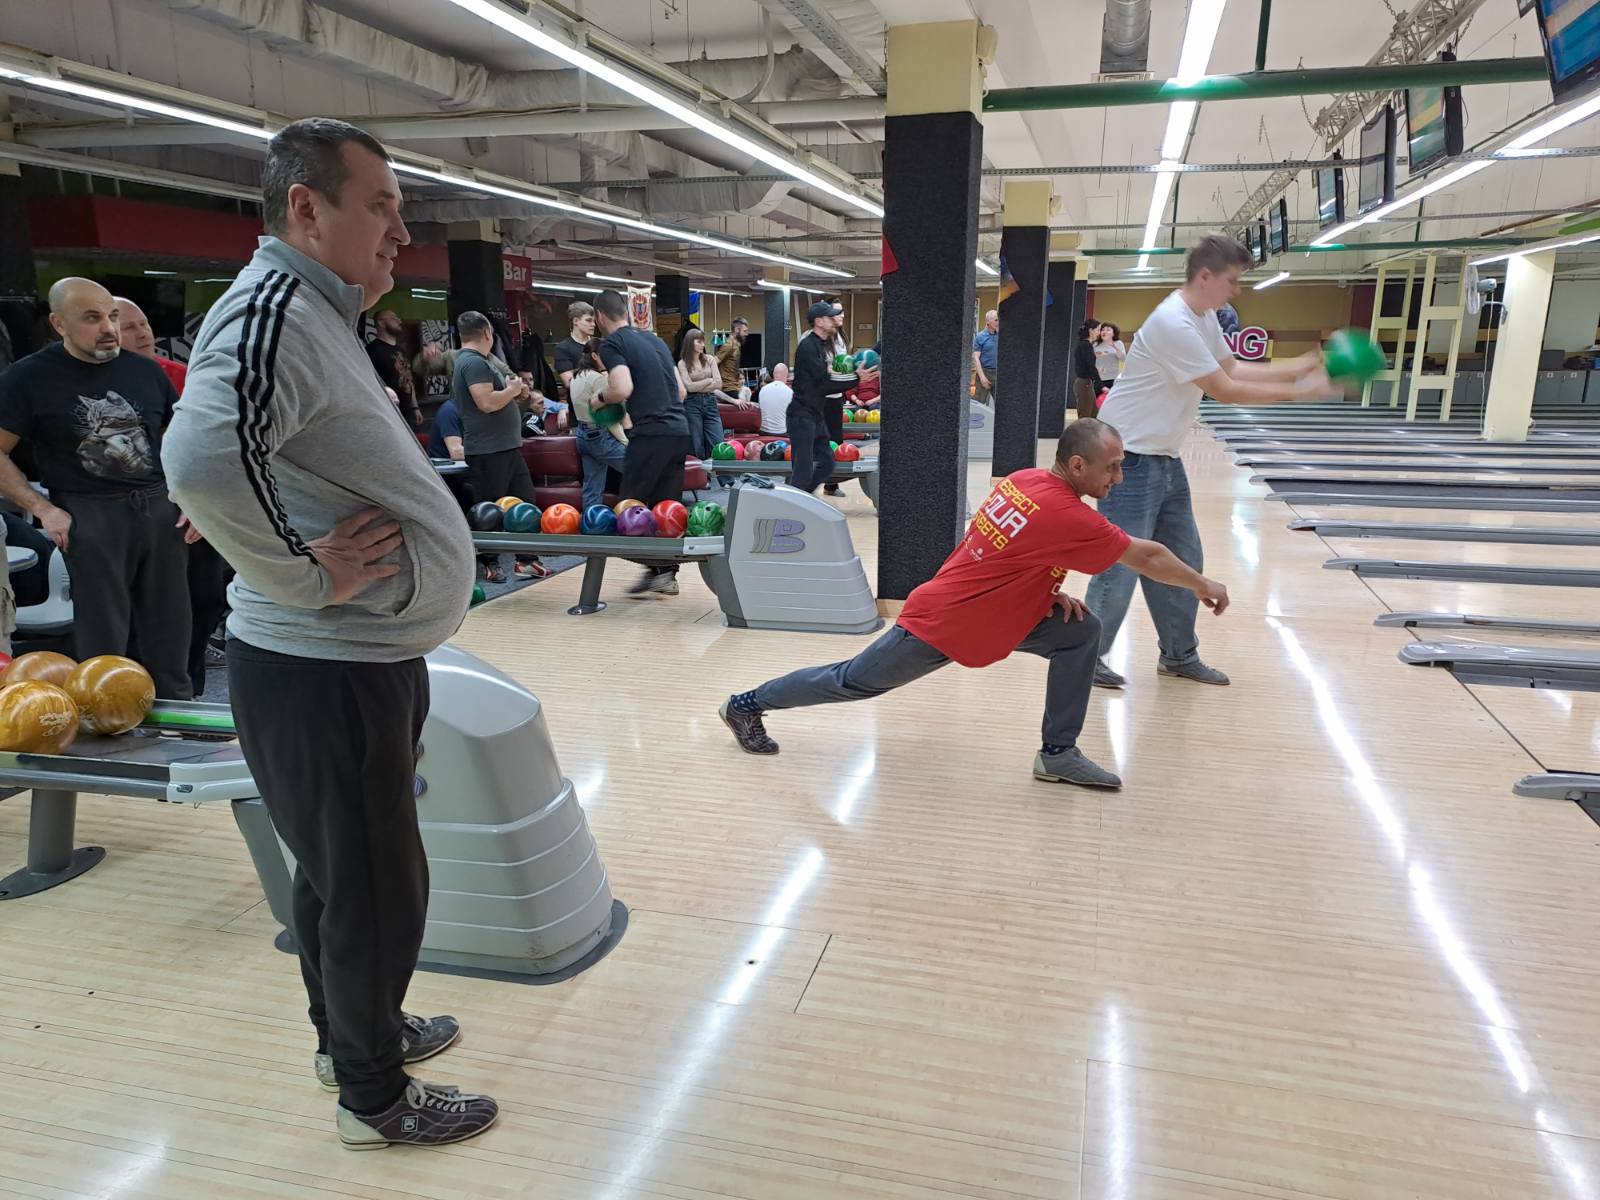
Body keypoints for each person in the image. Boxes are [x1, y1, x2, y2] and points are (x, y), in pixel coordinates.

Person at [164, 117, 499, 1150]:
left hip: (352, 658)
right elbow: (200, 459)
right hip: (325, 663)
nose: (402, 231)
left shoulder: (313, 310)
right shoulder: (272, 311)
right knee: (375, 887)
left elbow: (254, 454)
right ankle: (374, 1098)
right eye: (381, 206)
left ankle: (351, 1037)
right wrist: (306, 573)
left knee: (337, 872)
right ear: (307, 209)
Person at [719, 419, 1230, 787]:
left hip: (994, 616)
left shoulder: (1026, 481)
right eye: (1113, 468)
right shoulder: (1070, 516)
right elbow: (1148, 556)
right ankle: (746, 705)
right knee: (852, 681)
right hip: (944, 621)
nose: (1118, 478)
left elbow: (1009, 553)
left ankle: (1058, 753)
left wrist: (1045, 590)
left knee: (1079, 633)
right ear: (1078, 465)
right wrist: (1202, 584)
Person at [1088, 234, 1330, 690]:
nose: (1236, 290)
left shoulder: (1202, 317)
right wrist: (1299, 391)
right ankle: (1087, 658)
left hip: (1164, 454)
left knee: (1184, 559)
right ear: (1205, 276)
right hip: (1127, 458)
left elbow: (1232, 368)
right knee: (1121, 563)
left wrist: (1299, 365)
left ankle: (1178, 655)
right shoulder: (1173, 323)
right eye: (1232, 281)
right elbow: (1225, 390)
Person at [0, 279, 193, 698]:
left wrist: (191, 498)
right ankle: (107, 718)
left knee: (171, 625)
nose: (108, 328)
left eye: (112, 316)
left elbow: (178, 439)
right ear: (59, 323)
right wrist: (43, 509)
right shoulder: (28, 378)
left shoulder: (144, 370)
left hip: (157, 504)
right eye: (92, 318)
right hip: (88, 510)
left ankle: (176, 716)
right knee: (103, 633)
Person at [116, 297, 228, 697]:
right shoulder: (96, 384)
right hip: (135, 513)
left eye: (143, 323)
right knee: (141, 609)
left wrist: (202, 504)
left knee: (206, 596)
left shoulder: (185, 377)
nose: (142, 332)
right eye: (129, 326)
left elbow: (213, 445)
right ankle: (136, 691)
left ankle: (191, 686)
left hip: (195, 508)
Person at [594, 289, 691, 596]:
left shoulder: (613, 343)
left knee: (631, 507)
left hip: (650, 434)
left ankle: (651, 565)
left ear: (599, 317)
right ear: (626, 312)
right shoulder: (656, 341)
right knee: (666, 507)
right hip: (679, 431)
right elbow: (681, 391)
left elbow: (622, 388)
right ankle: (665, 574)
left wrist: (600, 399)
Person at [451, 310, 550, 584]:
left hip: (506, 448)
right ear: (487, 333)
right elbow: (486, 403)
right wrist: (513, 391)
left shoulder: (483, 361)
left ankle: (527, 560)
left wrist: (514, 390)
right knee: (488, 511)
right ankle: (489, 564)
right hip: (487, 450)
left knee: (526, 503)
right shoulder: (472, 362)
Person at [555, 302, 626, 511]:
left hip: (583, 434)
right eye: (588, 320)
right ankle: (638, 514)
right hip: (600, 433)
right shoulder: (595, 377)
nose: (593, 324)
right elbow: (609, 417)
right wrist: (625, 441)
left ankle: (591, 521)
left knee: (593, 485)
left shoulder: (579, 375)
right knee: (638, 468)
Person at [790, 301, 855, 495]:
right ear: (819, 321)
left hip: (820, 409)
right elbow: (822, 382)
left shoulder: (829, 341)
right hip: (804, 412)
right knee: (803, 467)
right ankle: (797, 497)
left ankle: (809, 494)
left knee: (829, 459)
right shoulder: (808, 344)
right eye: (831, 316)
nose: (837, 318)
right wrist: (855, 378)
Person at [114, 297, 189, 393]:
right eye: (129, 327)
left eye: (143, 324)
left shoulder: (183, 377)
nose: (143, 334)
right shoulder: (97, 377)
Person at [677, 328, 730, 460]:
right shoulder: (682, 363)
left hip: (711, 402)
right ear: (690, 343)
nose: (703, 345)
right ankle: (701, 473)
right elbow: (689, 387)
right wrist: (709, 380)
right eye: (699, 341)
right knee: (697, 444)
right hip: (692, 404)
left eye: (703, 341)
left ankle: (721, 473)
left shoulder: (710, 359)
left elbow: (719, 384)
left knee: (718, 441)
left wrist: (698, 386)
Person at [366, 308, 422, 429]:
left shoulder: (401, 350)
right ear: (381, 323)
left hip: (407, 411)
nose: (399, 320)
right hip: (389, 411)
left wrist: (415, 407)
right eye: (393, 318)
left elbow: (408, 379)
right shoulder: (372, 351)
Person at [1071, 320, 1101, 420]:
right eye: (1098, 330)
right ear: (1091, 330)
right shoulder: (1086, 345)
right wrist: (1100, 383)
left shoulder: (1084, 345)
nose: (1099, 333)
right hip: (1084, 383)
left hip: (1086, 383)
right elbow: (1090, 365)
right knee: (1086, 416)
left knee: (1092, 415)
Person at [972, 309, 999, 406]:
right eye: (996, 320)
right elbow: (976, 358)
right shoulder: (980, 337)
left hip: (998, 373)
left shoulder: (1001, 335)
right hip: (984, 372)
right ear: (988, 321)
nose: (998, 322)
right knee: (978, 404)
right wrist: (982, 377)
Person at [758, 363, 793, 435]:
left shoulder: (763, 389)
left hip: (763, 432)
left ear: (773, 374)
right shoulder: (790, 392)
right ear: (787, 375)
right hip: (782, 433)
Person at [1094, 322, 1126, 398]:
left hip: (1113, 378)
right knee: (1096, 401)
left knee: (1110, 401)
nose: (1104, 331)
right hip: (1098, 379)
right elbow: (1089, 360)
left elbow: (1123, 359)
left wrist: (1114, 346)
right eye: (1102, 330)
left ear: (1113, 333)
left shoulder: (1118, 343)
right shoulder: (1095, 344)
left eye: (1108, 330)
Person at [716, 316, 748, 392]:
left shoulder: (736, 345)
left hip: (734, 386)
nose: (746, 334)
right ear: (737, 330)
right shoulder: (728, 345)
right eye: (744, 331)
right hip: (728, 388)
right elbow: (714, 361)